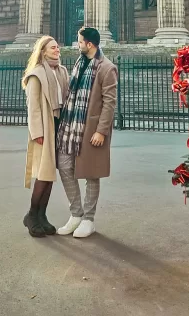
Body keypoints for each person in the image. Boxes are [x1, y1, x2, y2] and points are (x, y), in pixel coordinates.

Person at [56, 26, 118, 239]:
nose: (77, 44)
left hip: (91, 129)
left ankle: (88, 219)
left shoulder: (107, 67)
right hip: (70, 127)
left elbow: (110, 102)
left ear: (89, 44)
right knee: (64, 166)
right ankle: (76, 214)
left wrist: (101, 131)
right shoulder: (79, 63)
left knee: (91, 173)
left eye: (80, 41)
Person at [22, 35, 69, 238]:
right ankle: (32, 215)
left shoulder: (62, 71)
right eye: (53, 48)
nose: (57, 50)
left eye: (57, 47)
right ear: (43, 51)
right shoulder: (36, 75)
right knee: (43, 173)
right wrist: (37, 133)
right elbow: (32, 107)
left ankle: (42, 216)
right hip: (44, 127)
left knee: (49, 175)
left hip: (58, 124)